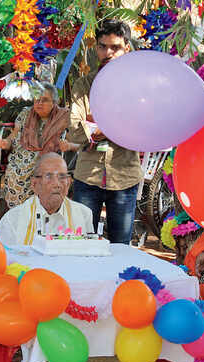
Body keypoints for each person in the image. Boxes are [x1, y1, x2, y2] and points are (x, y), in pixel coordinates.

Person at [67, 19, 143, 244]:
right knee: (81, 245)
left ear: (126, 47)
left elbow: (141, 129)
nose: (108, 52)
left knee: (121, 247)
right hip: (87, 177)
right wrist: (115, 128)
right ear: (96, 47)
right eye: (102, 46)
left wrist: (102, 128)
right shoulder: (83, 86)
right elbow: (74, 131)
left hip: (124, 177)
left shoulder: (139, 88)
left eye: (115, 47)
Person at [0, 82, 70, 208]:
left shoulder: (63, 117)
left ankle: (39, 211)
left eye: (44, 100)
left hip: (48, 157)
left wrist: (68, 144)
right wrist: (5, 143)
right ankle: (19, 213)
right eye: (37, 99)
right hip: (21, 156)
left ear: (54, 102)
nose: (39, 103)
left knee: (42, 173)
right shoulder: (25, 114)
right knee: (14, 172)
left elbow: (71, 140)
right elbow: (13, 137)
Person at [0, 152, 94, 246]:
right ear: (34, 185)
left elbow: (89, 256)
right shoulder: (13, 220)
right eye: (49, 177)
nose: (57, 184)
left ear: (68, 183)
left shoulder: (84, 215)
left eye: (62, 177)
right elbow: (4, 259)